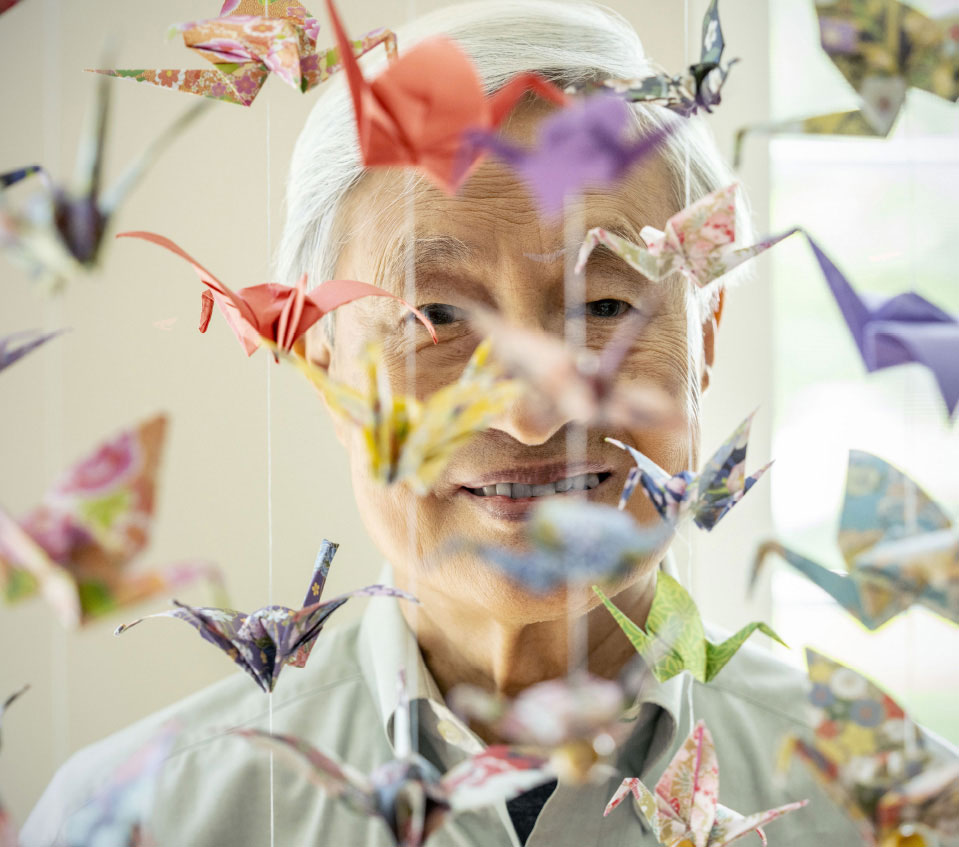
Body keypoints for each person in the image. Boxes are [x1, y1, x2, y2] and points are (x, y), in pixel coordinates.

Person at [21, 2, 955, 845]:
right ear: (322, 369)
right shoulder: (150, 816)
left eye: (601, 310)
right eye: (436, 316)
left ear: (704, 336)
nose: (529, 408)